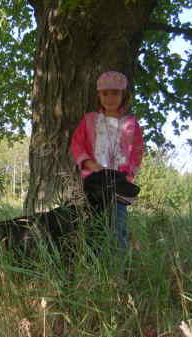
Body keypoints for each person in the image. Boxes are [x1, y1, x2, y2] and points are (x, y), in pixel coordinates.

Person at [70, 71, 144, 250]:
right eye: (105, 93)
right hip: (94, 185)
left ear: (123, 95)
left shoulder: (131, 124)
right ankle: (93, 269)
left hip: (118, 187)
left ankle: (118, 269)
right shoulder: (89, 120)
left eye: (115, 93)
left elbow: (137, 152)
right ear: (99, 95)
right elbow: (77, 145)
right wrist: (89, 163)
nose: (110, 97)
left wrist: (128, 174)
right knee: (92, 228)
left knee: (118, 227)